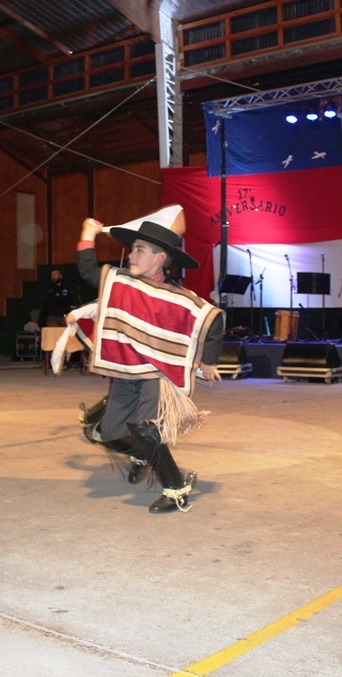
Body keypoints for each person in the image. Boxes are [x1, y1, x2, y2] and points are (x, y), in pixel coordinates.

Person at [75, 212, 224, 513]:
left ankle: (176, 488)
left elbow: (212, 318)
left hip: (158, 376)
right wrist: (87, 234)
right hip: (127, 373)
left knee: (143, 426)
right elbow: (87, 270)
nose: (132, 255)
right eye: (132, 249)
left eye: (139, 250)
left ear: (160, 258)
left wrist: (208, 361)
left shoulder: (176, 297)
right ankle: (143, 454)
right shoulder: (121, 283)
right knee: (105, 431)